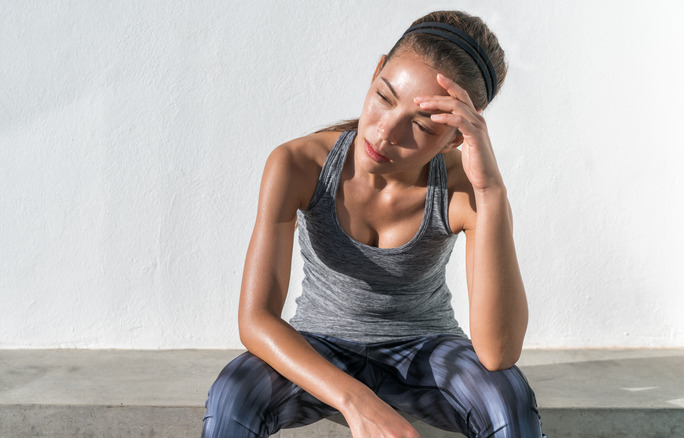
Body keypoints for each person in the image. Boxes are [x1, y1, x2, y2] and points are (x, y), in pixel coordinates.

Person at [202, 10, 544, 438]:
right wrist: (356, 401)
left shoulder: (468, 192)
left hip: (427, 354)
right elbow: (255, 320)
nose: (384, 133)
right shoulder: (297, 164)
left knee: (506, 393)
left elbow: (497, 353)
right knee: (232, 393)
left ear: (455, 137)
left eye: (420, 125)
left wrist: (492, 191)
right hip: (321, 348)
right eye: (384, 97)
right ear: (376, 70)